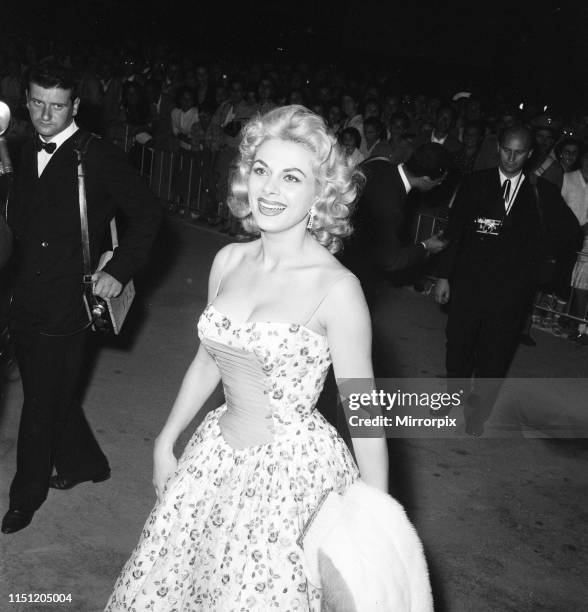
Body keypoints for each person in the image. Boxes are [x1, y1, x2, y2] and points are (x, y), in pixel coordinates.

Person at [104, 105, 390, 611]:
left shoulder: (338, 290)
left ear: (319, 195)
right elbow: (206, 361)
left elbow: (365, 416)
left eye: (291, 177)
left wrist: (376, 523)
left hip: (290, 480)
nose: (270, 189)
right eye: (261, 170)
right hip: (216, 456)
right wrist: (166, 439)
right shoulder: (227, 261)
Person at [1, 60, 161, 534]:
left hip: (69, 301)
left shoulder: (98, 154)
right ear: (26, 101)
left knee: (38, 404)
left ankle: (24, 496)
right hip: (21, 295)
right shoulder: (19, 148)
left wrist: (117, 269)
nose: (46, 115)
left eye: (57, 106)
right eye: (37, 104)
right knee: (50, 391)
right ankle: (85, 462)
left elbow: (149, 215)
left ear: (75, 106)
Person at [434, 126, 581, 435]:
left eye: (519, 153)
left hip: (510, 293)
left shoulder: (541, 192)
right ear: (498, 148)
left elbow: (570, 233)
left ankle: (479, 413)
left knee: (495, 354)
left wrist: (539, 265)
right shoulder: (475, 183)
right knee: (458, 345)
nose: (511, 158)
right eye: (506, 151)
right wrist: (444, 276)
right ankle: (454, 393)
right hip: (468, 283)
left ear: (529, 155)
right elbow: (454, 232)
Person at [342, 143, 452, 311]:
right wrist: (426, 246)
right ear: (426, 179)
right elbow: (391, 261)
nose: (438, 185)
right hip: (356, 271)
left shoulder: (378, 162)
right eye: (439, 181)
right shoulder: (392, 207)